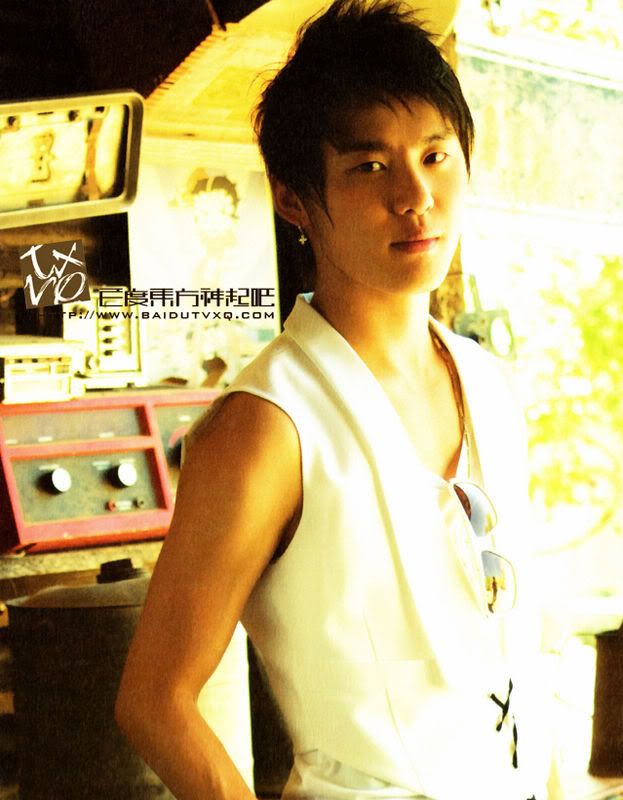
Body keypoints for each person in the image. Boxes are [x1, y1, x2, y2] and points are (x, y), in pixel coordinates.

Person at [116, 2, 549, 798]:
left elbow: (517, 663)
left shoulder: (489, 385)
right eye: (368, 167)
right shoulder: (267, 424)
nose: (414, 196)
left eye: (434, 155)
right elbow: (154, 700)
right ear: (293, 199)